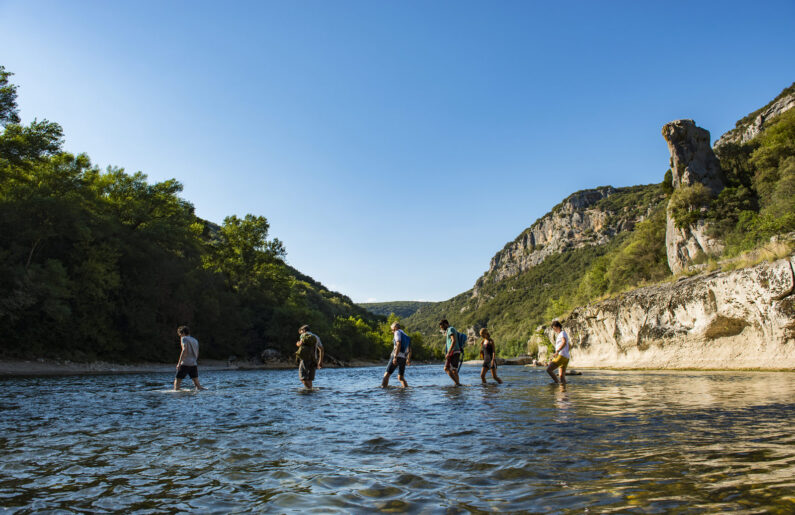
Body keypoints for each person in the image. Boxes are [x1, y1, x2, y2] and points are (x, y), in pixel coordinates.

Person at [173, 326, 206, 390]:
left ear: (182, 333)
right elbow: (197, 352)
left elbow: (184, 350)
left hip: (185, 363)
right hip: (193, 363)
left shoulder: (184, 338)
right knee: (197, 384)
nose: (180, 336)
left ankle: (176, 392)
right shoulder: (195, 340)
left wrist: (179, 363)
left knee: (177, 381)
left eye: (180, 334)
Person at [382, 322, 411, 387]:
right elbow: (409, 350)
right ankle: (406, 390)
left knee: (386, 375)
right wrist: (408, 359)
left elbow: (398, 344)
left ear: (395, 327)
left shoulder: (397, 332)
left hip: (397, 356)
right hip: (403, 358)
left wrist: (395, 356)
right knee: (401, 377)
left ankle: (383, 391)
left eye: (392, 329)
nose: (391, 330)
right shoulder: (406, 335)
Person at [546, 320, 570, 385]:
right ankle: (563, 392)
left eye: (554, 328)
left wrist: (557, 351)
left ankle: (557, 383)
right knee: (562, 376)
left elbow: (564, 342)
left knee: (549, 370)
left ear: (558, 327)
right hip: (566, 356)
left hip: (561, 356)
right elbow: (568, 344)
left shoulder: (562, 333)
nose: (554, 330)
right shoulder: (562, 333)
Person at [439, 319, 462, 386]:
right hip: (456, 351)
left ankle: (457, 383)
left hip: (453, 351)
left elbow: (453, 341)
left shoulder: (450, 329)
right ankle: (457, 386)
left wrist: (448, 352)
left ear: (445, 324)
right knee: (454, 370)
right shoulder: (451, 329)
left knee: (446, 368)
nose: (442, 329)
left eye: (442, 327)